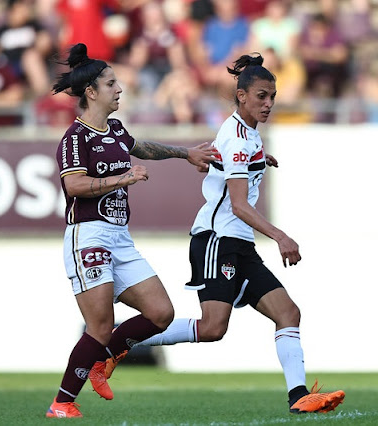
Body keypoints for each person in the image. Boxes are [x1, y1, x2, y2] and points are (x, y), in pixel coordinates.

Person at [104, 53, 346, 414]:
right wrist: (280, 235)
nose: (268, 104)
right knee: (213, 327)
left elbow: (238, 164)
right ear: (242, 96)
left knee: (288, 313)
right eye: (262, 96)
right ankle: (120, 340)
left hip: (238, 244)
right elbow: (238, 205)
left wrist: (260, 160)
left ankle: (299, 398)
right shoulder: (237, 137)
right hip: (217, 240)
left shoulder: (247, 135)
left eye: (273, 97)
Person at [46, 42, 216, 418]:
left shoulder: (115, 130)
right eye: (111, 83)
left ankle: (102, 361)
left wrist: (184, 153)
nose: (119, 89)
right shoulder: (75, 138)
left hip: (119, 238)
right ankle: (62, 402)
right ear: (91, 92)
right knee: (101, 323)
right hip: (87, 234)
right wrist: (124, 177)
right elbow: (73, 186)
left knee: (160, 312)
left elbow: (141, 147)